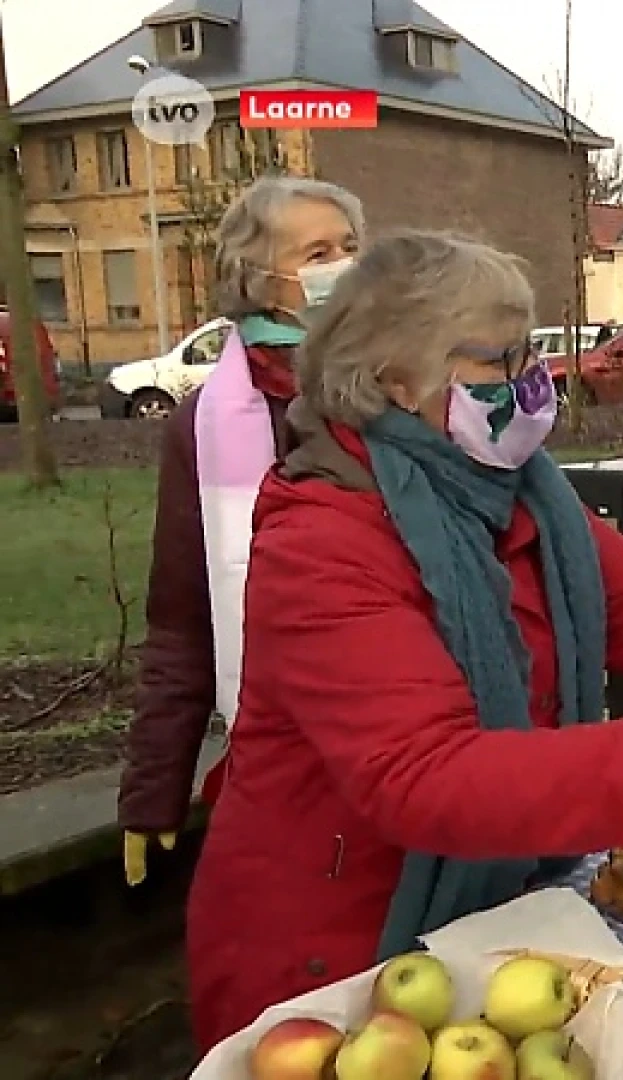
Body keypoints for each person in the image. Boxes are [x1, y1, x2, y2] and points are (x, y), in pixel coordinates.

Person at [184, 231, 623, 1052]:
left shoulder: (524, 495)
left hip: (480, 934)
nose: (533, 384)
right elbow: (425, 774)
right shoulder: (322, 539)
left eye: (532, 354)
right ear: (395, 380)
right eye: (499, 361)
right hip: (332, 968)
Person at [118, 176, 364, 888]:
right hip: (285, 752)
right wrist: (152, 788)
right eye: (319, 252)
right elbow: (183, 618)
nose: (343, 268)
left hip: (409, 733)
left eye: (351, 248)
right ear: (262, 280)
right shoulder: (207, 425)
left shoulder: (399, 387)